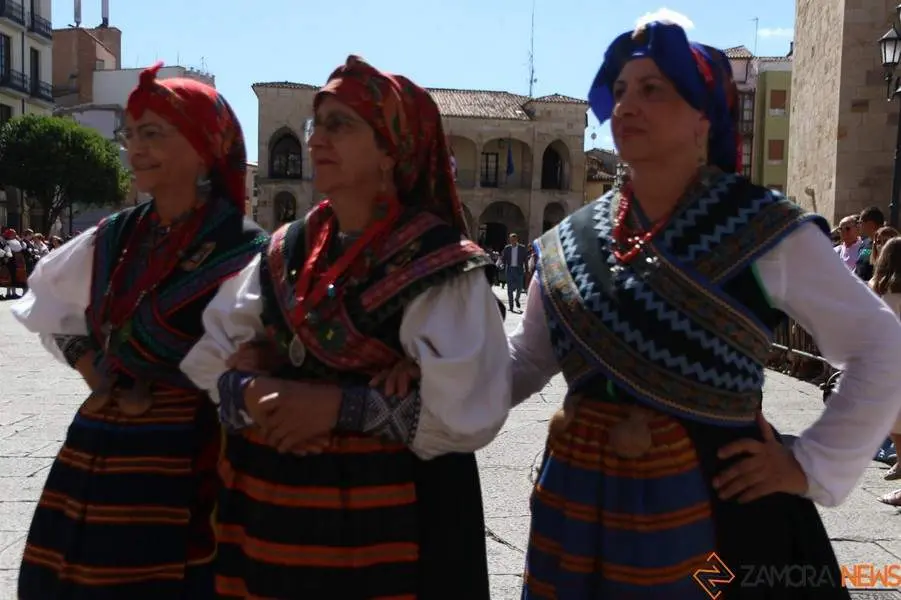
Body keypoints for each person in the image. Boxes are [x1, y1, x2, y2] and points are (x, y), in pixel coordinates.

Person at [508, 21, 901, 598]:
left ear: (704, 118)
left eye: (654, 89)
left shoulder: (764, 227)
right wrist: (425, 395)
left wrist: (808, 465)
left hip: (720, 513)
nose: (628, 104)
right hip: (580, 506)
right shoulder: (571, 239)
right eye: (620, 91)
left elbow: (881, 344)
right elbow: (524, 358)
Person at [180, 55, 510, 599]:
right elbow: (216, 354)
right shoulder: (287, 250)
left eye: (341, 124)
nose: (315, 140)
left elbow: (470, 410)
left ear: (390, 151)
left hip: (398, 526)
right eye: (317, 124)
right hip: (275, 518)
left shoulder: (438, 261)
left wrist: (334, 408)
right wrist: (255, 386)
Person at [11, 62, 267, 599]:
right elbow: (49, 302)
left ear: (203, 147)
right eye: (131, 135)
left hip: (190, 461)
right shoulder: (118, 234)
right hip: (97, 449)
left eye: (154, 133)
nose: (135, 147)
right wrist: (95, 369)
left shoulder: (245, 251)